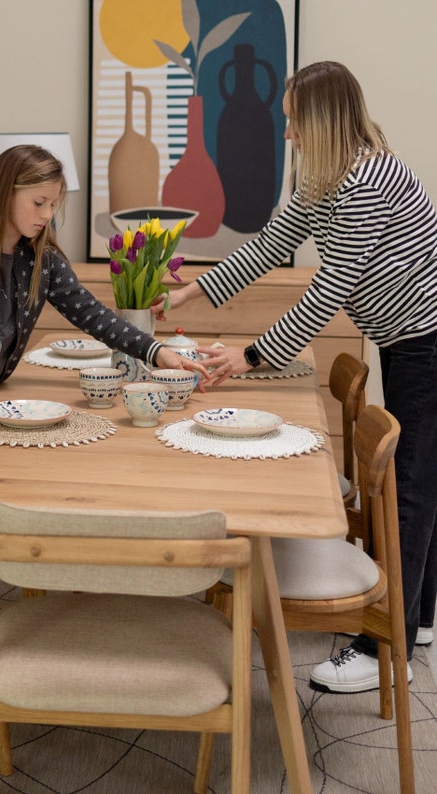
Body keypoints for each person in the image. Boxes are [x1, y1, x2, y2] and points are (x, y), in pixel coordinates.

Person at [0, 143, 210, 683]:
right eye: (38, 203)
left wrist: (158, 353)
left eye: (52, 206)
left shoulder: (44, 261)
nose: (45, 216)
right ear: (5, 192)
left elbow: (94, 316)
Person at [168, 60, 437, 693]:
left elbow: (331, 287)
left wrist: (251, 357)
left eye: (292, 121)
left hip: (427, 341)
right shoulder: (326, 177)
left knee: (411, 489)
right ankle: (417, 615)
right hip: (407, 337)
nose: (286, 133)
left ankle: (384, 645)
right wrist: (192, 295)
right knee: (420, 479)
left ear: (319, 120)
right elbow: (271, 243)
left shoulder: (369, 178)